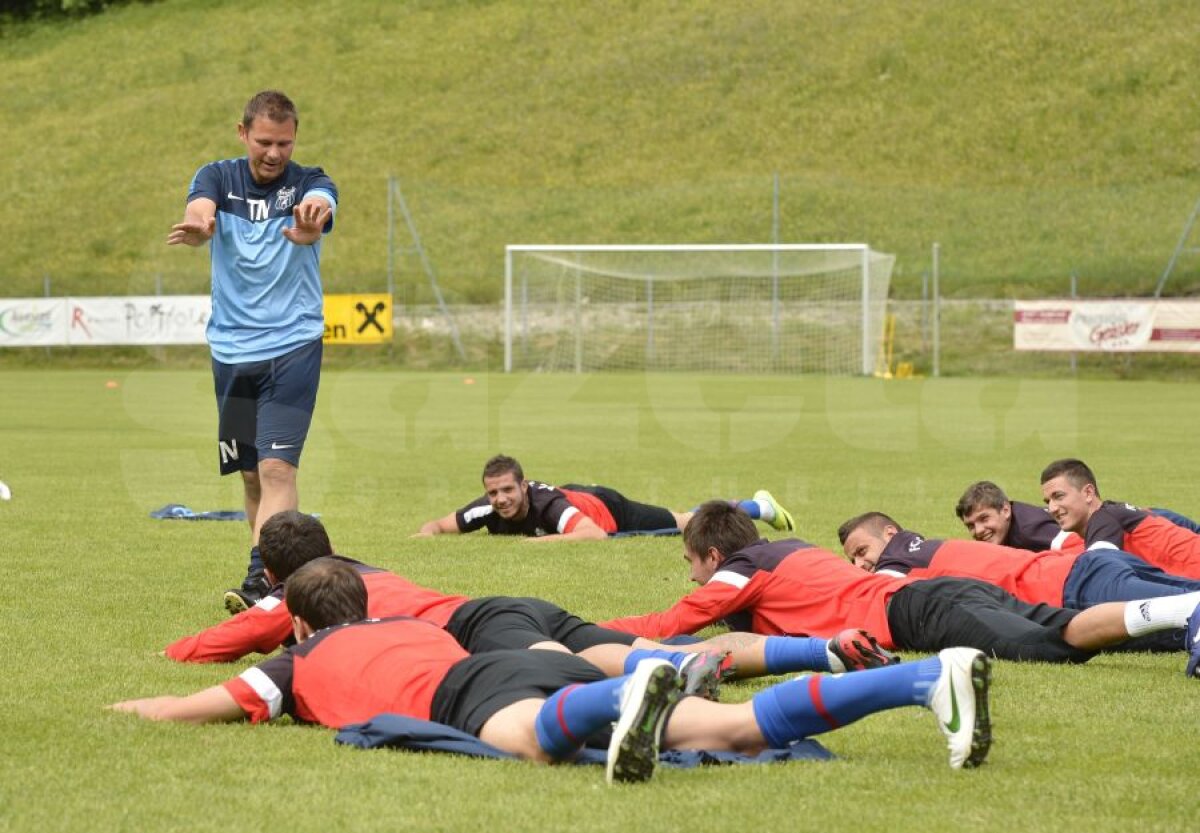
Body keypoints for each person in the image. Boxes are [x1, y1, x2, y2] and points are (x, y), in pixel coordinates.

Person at [113, 558, 996, 775]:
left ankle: (628, 693)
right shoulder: (402, 622)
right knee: (728, 726)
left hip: (480, 689)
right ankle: (925, 679)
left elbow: (194, 705)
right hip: (516, 657)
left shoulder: (299, 661)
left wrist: (126, 708)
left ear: (299, 620)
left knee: (530, 744)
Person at [164, 511, 898, 687]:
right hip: (502, 604)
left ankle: (670, 693)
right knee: (653, 654)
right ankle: (823, 650)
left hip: (486, 627)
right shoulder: (360, 570)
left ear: (278, 574)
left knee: (600, 679)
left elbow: (201, 649)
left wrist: (175, 647)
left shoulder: (299, 593)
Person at [600, 501, 1200, 674]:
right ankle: (1184, 620)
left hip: (922, 610)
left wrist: (580, 632)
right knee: (1089, 635)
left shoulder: (742, 569)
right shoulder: (788, 555)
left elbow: (668, 625)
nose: (692, 579)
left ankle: (1185, 603)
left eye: (692, 564)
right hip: (939, 595)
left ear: (714, 556)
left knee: (1054, 644)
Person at [167, 90, 338, 615]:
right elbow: (200, 206)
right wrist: (199, 225)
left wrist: (312, 225)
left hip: (293, 345)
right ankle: (274, 573)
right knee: (249, 474)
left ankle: (263, 581)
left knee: (278, 469)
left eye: (285, 143)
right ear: (243, 134)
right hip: (232, 350)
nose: (274, 152)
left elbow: (321, 210)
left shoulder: (311, 182)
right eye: (264, 141)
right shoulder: (217, 177)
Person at [839, 510, 1200, 651]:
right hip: (1088, 567)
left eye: (860, 550)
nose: (859, 565)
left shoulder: (896, 561)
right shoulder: (923, 549)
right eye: (852, 559)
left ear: (889, 532)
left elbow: (863, 600)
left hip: (1075, 588)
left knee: (1181, 621)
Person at [414, 454, 794, 541]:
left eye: (508, 490)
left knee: (684, 521)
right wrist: (426, 535)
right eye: (494, 492)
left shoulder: (549, 507)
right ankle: (756, 505)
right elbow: (439, 525)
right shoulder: (487, 507)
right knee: (684, 517)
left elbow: (592, 535)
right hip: (580, 495)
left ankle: (759, 507)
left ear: (524, 486)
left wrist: (536, 544)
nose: (500, 499)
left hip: (608, 509)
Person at [1040, 459, 1200, 579]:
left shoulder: (1104, 518)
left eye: (1059, 496)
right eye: (1048, 502)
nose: (1052, 508)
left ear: (1088, 493)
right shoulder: (1117, 512)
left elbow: (1098, 571)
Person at [956, 479, 1199, 554]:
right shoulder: (1014, 527)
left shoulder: (1030, 530)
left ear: (1006, 510)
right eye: (971, 526)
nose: (978, 531)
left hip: (1151, 524)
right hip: (1139, 519)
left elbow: (1084, 549)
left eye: (984, 519)